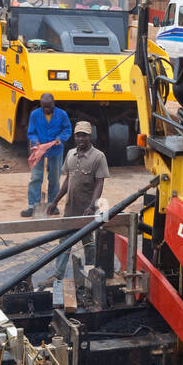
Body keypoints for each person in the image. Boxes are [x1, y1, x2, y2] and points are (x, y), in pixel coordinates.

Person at [46, 120, 109, 281]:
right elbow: (68, 180)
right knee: (64, 242)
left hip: (86, 209)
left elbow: (100, 183)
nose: (81, 139)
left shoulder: (98, 157)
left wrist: (92, 206)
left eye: (84, 136)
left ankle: (90, 272)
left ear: (90, 136)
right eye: (78, 135)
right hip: (70, 208)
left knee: (88, 243)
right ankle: (58, 275)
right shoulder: (70, 154)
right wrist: (55, 201)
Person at [21, 93, 71, 218]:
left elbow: (67, 130)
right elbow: (31, 132)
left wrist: (60, 138)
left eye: (49, 107)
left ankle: (52, 205)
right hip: (40, 151)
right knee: (36, 177)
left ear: (54, 103)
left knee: (54, 179)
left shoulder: (62, 114)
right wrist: (35, 140)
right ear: (41, 105)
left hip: (55, 151)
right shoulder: (35, 115)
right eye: (44, 107)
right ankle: (33, 205)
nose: (47, 109)